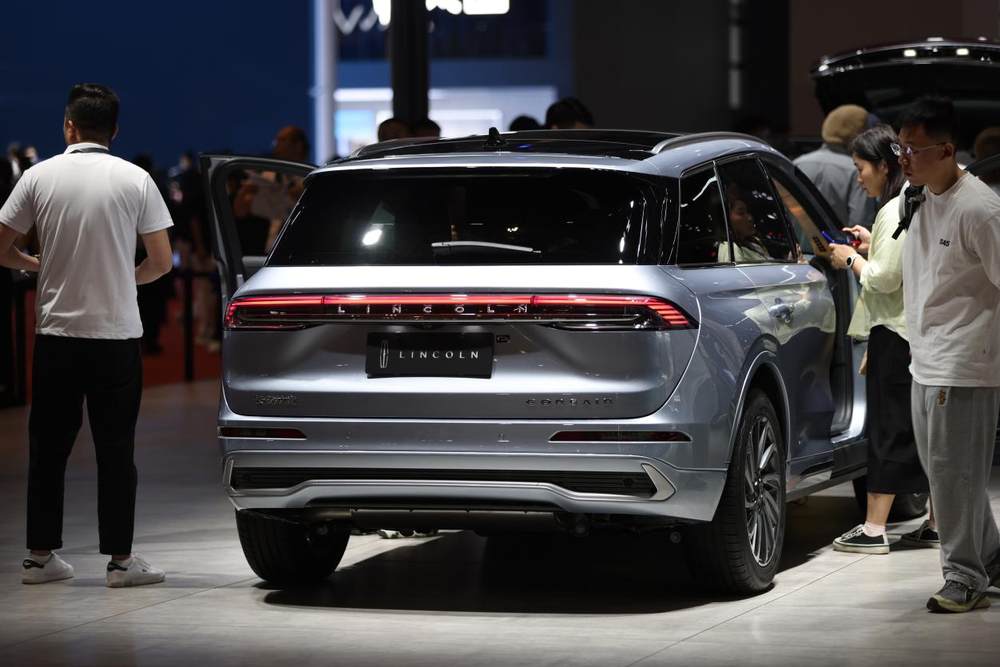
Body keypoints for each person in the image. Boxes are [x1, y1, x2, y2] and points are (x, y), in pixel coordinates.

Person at [0, 83, 173, 587]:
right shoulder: (136, 179)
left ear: (69, 126)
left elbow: (1, 247)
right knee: (116, 449)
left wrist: (39, 264)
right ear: (114, 130)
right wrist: (123, 277)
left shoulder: (38, 176)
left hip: (56, 333)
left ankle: (39, 558)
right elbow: (161, 261)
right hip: (116, 335)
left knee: (47, 448)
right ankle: (121, 562)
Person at [895, 96, 1000, 612]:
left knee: (953, 475)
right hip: (925, 355)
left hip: (964, 361)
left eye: (914, 150)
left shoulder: (980, 209)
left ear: (947, 150)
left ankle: (964, 576)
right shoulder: (912, 195)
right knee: (946, 472)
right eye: (899, 148)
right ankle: (992, 557)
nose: (904, 159)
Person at [827, 124, 935, 555]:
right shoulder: (915, 200)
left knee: (888, 429)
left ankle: (873, 529)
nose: (858, 178)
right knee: (922, 431)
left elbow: (885, 278)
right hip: (917, 331)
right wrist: (873, 244)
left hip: (895, 332)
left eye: (860, 168)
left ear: (883, 166)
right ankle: (936, 522)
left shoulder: (895, 208)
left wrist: (848, 258)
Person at [793, 105, 877, 230]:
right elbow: (860, 223)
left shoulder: (798, 164)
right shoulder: (857, 170)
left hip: (798, 241)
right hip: (841, 242)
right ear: (860, 132)